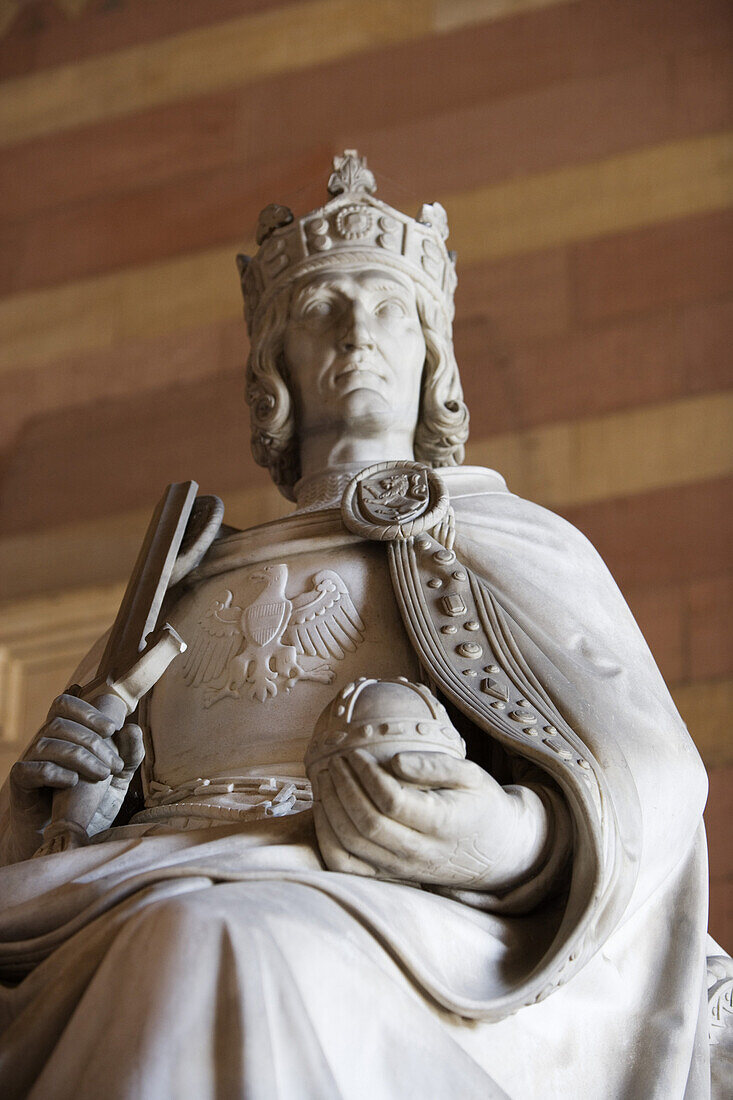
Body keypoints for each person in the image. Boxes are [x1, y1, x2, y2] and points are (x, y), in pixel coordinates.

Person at [0, 151, 724, 1098]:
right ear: (274, 365)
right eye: (320, 308)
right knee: (179, 930)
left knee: (205, 947)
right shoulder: (184, 572)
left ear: (434, 354)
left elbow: (649, 772)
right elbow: (71, 799)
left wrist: (503, 839)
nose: (356, 333)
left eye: (388, 308)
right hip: (136, 878)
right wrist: (65, 810)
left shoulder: (510, 540)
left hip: (396, 905)